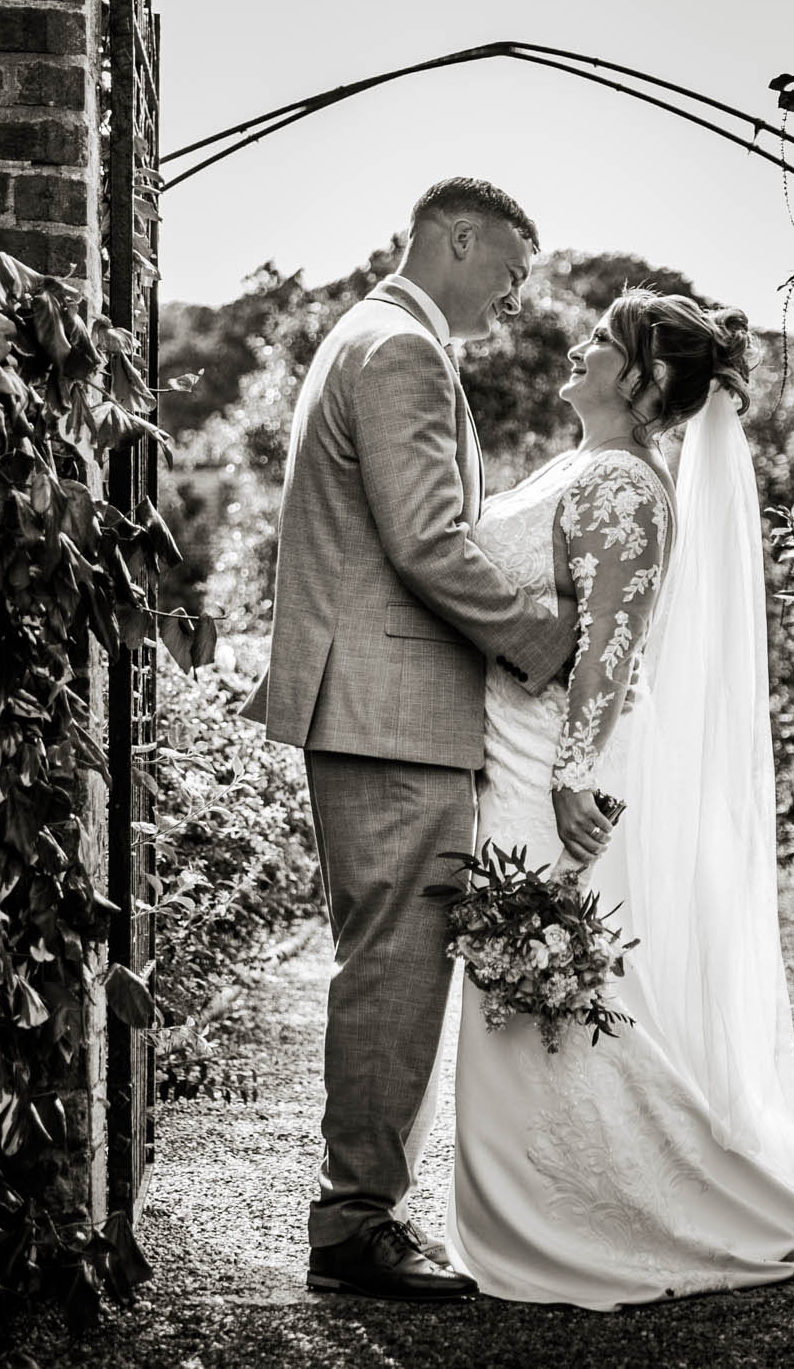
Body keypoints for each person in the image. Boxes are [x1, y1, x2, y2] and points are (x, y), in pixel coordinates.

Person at [449, 288, 794, 1307]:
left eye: (600, 341)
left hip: (558, 765)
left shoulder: (623, 482)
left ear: (645, 378)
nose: (578, 348)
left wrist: (570, 773)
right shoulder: (587, 464)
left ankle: (588, 1207)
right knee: (546, 968)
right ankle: (543, 1197)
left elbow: (610, 642)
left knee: (559, 969)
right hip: (520, 744)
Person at [242, 177, 580, 1302]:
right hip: (390, 707)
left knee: (384, 955)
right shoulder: (399, 350)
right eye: (511, 272)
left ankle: (359, 1208)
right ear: (458, 237)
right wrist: (540, 639)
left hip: (377, 703)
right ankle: (352, 1222)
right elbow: (430, 541)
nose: (515, 299)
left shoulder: (369, 333)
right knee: (393, 964)